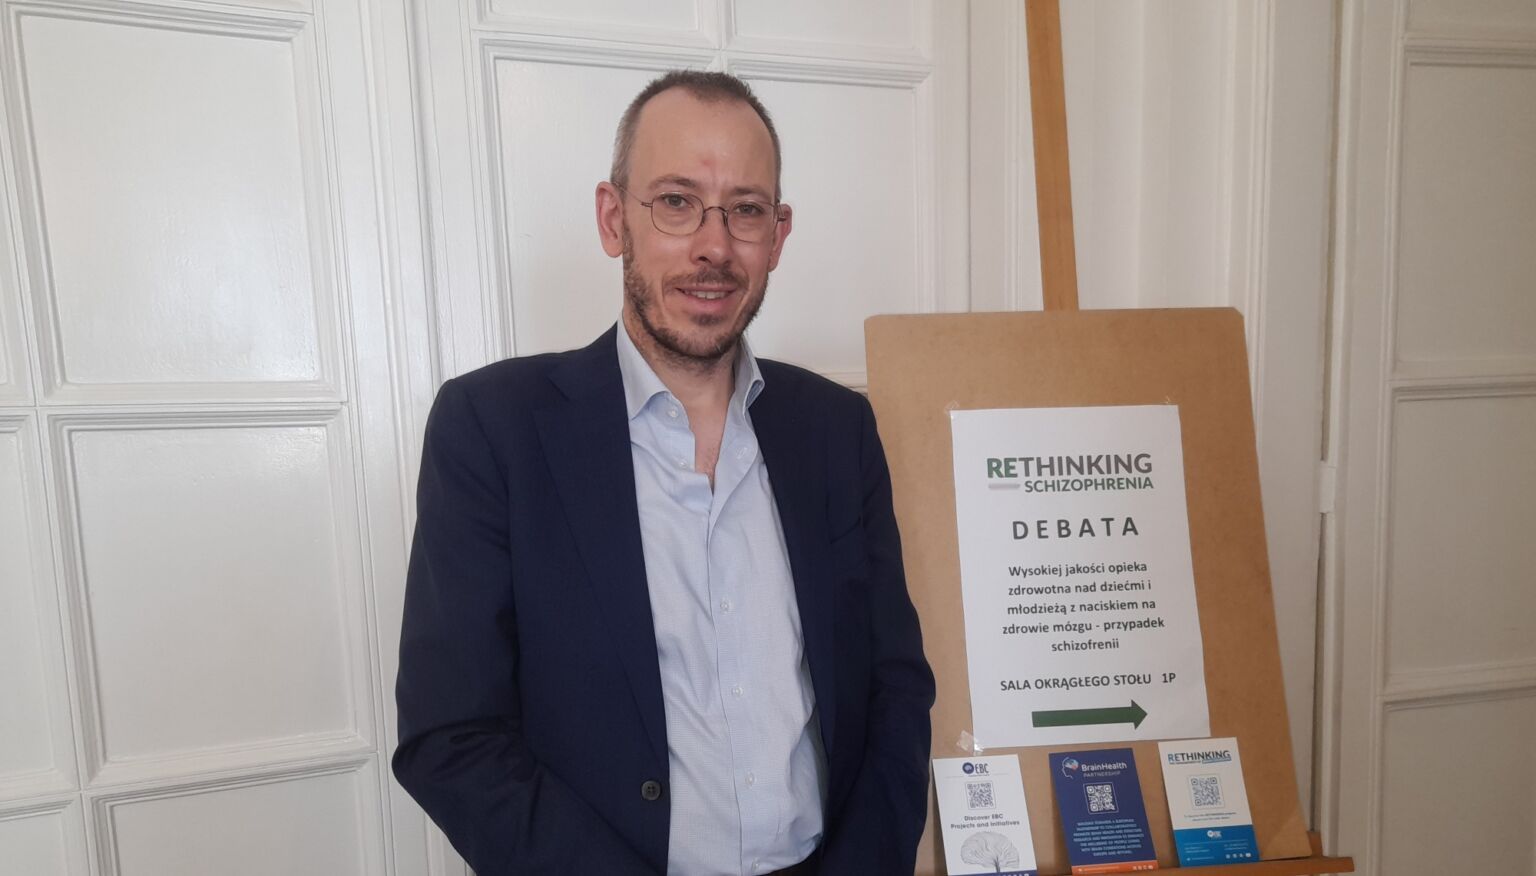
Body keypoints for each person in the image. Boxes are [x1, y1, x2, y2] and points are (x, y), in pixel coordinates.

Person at [392, 70, 934, 875]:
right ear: (615, 219)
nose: (714, 247)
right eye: (677, 202)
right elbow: (451, 735)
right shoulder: (493, 429)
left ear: (778, 235)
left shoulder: (836, 429)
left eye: (745, 209)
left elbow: (895, 687)